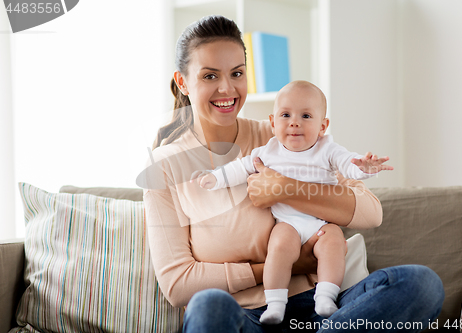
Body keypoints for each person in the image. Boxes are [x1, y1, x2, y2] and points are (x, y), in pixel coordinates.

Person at [139, 15, 444, 333]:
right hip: (241, 317)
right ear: (183, 82)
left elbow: (370, 212)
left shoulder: (283, 133)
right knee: (207, 305)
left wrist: (286, 188)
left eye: (237, 73)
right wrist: (284, 265)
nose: (227, 88)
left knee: (421, 284)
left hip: (321, 310)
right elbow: (177, 285)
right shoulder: (165, 167)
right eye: (210, 76)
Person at [190, 80, 394, 325]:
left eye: (306, 116)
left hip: (320, 224)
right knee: (278, 247)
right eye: (286, 115)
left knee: (334, 241)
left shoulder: (327, 150)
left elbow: (349, 165)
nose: (294, 122)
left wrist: (365, 167)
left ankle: (326, 296)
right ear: (273, 122)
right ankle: (275, 304)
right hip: (287, 223)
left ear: (323, 126)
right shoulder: (268, 151)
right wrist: (214, 178)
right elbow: (239, 168)